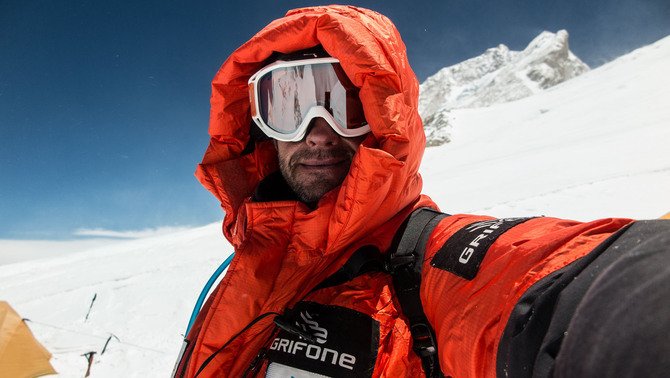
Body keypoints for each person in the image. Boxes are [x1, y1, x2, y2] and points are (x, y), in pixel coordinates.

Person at [173, 5, 670, 378]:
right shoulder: (249, 264)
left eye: (347, 103)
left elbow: (544, 282)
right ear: (262, 130)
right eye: (288, 105)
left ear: (384, 119)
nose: (318, 131)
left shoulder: (429, 268)